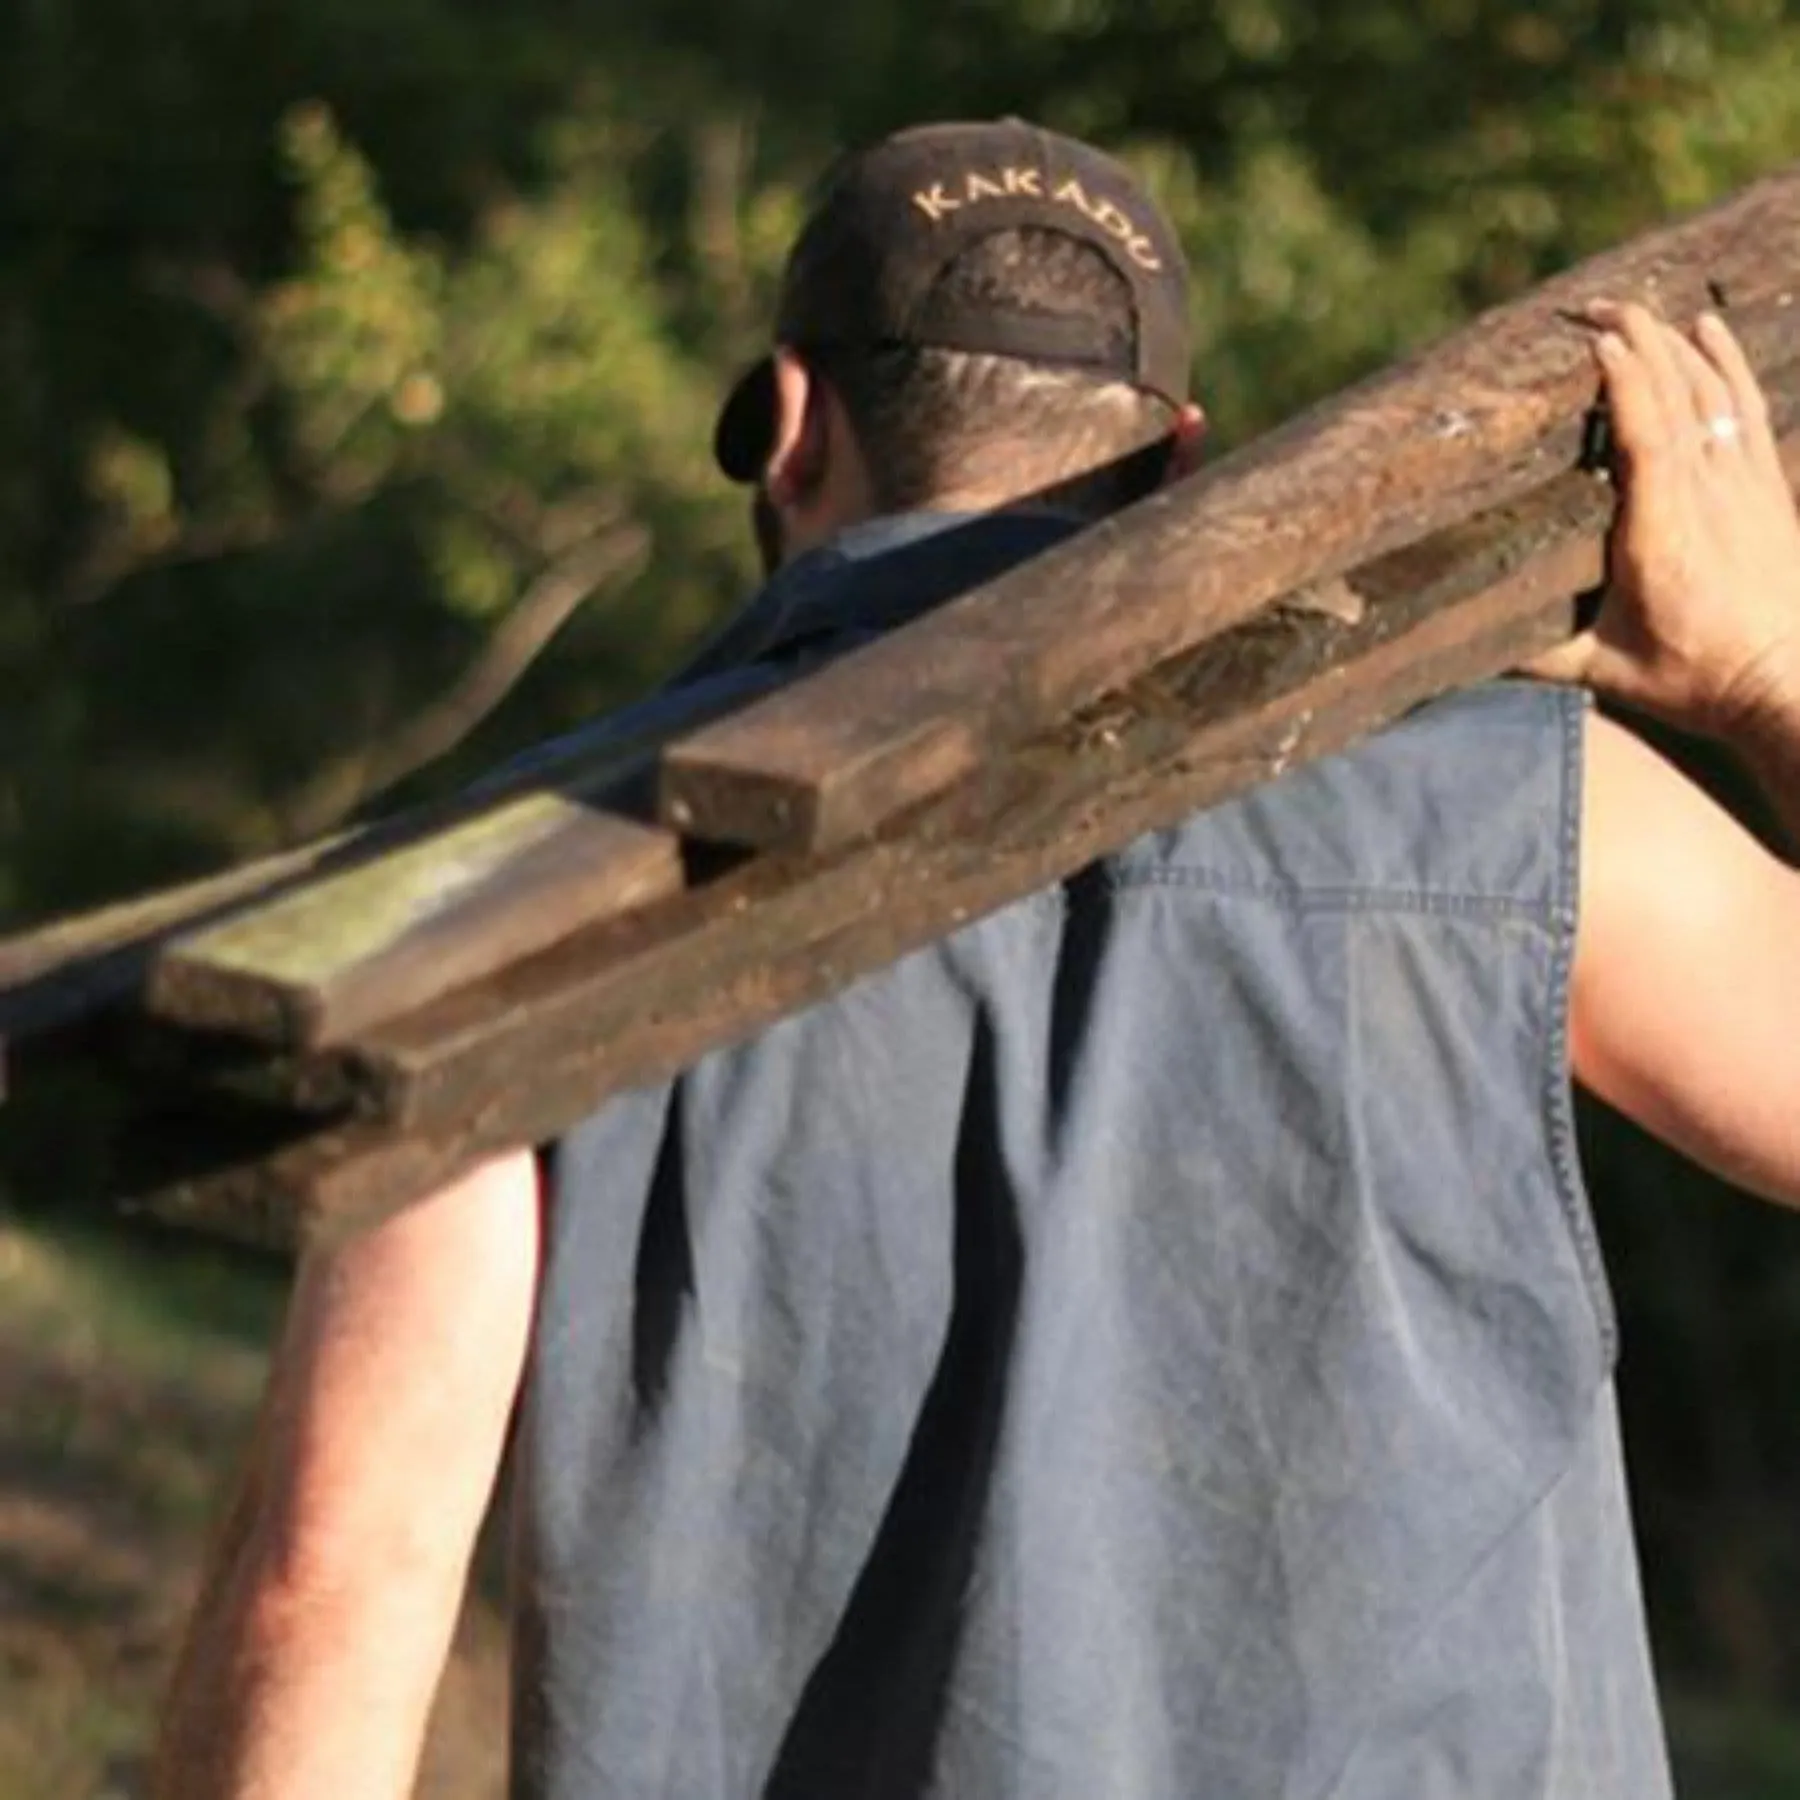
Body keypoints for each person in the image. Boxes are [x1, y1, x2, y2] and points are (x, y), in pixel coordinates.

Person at [152, 120, 1800, 1799]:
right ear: (1181, 460)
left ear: (792, 430)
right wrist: (1766, 672)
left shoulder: (499, 902)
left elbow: (334, 1574)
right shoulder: (1533, 813)